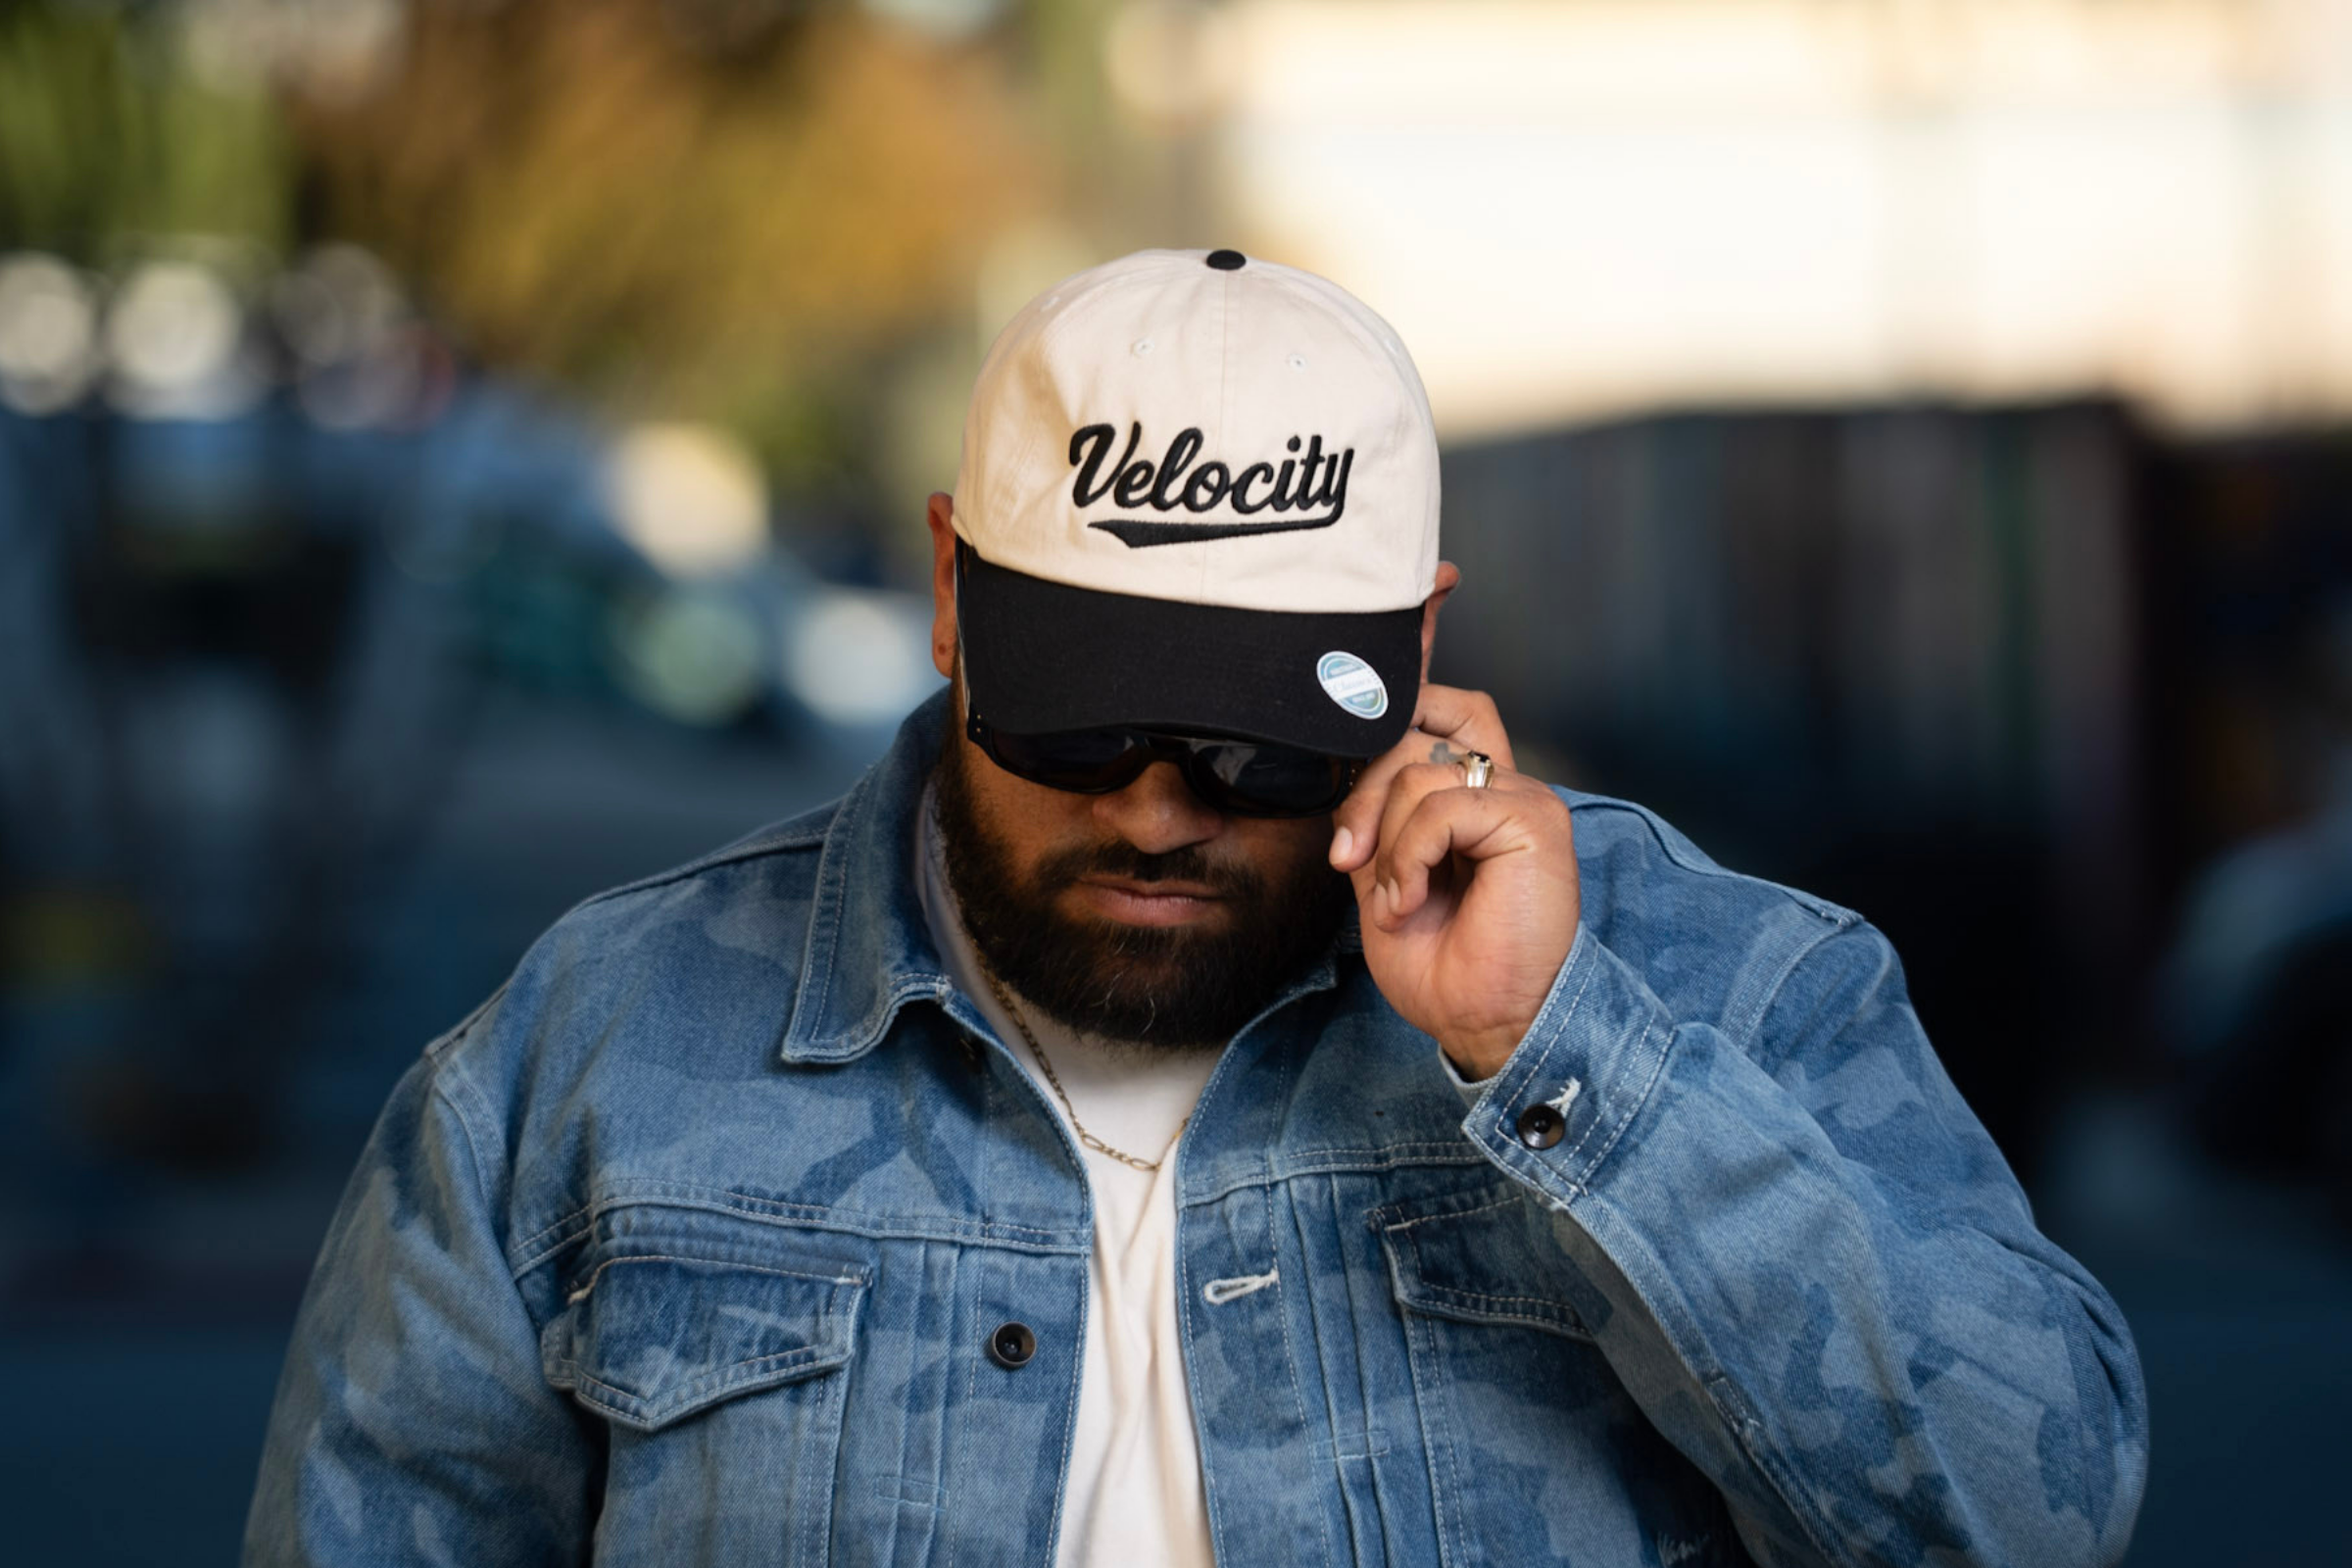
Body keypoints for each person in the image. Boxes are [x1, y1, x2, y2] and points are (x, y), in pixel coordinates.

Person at [244, 249, 2147, 1567]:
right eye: (1087, 715)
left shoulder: (1721, 992)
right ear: (947, 593)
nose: (1159, 803)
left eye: (1253, 740)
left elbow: (2037, 1514)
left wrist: (1570, 1053)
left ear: (1417, 642)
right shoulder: (593, 1055)